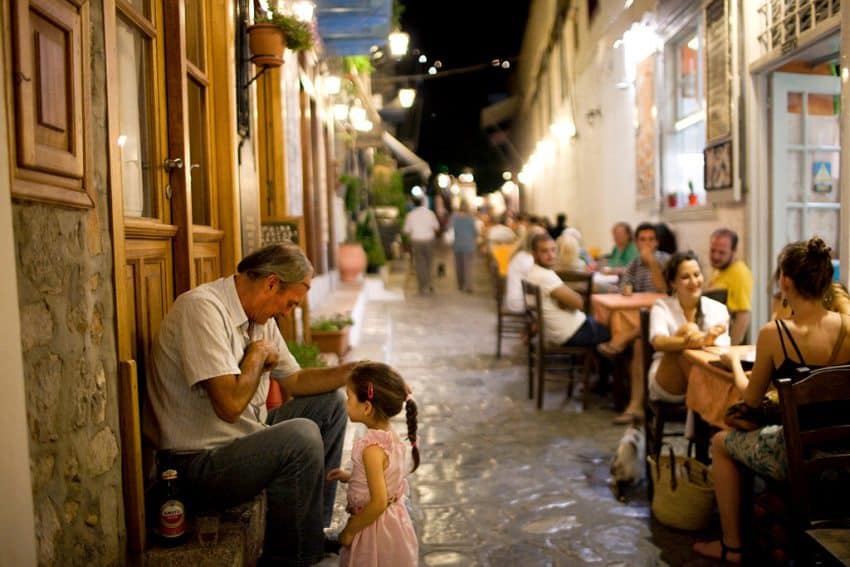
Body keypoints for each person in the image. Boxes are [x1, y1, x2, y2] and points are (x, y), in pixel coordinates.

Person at [146, 243, 356, 566]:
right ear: (272, 283)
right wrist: (256, 356)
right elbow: (229, 405)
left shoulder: (259, 317)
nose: (288, 312)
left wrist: (352, 371)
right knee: (300, 438)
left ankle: (310, 532)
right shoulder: (202, 310)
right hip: (195, 465)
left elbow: (297, 381)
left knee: (330, 406)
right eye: (289, 303)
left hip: (239, 440)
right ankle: (294, 558)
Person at [694, 237, 850, 564]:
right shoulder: (847, 326)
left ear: (785, 282)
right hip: (844, 448)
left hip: (795, 454)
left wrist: (734, 364)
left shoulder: (775, 333)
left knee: (722, 442)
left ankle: (732, 546)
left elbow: (749, 401)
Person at [326, 362, 419, 566]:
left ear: (366, 407)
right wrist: (350, 477)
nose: (345, 403)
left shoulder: (372, 449)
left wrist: (349, 531)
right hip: (394, 524)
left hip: (372, 530)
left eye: (348, 397)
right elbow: (385, 478)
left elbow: (377, 503)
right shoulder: (390, 437)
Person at [647, 251, 730, 403]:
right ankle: (710, 410)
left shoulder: (718, 309)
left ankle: (704, 409)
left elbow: (722, 349)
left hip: (706, 375)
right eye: (685, 277)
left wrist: (704, 341)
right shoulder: (662, 306)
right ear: (672, 282)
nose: (693, 281)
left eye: (697, 275)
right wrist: (700, 340)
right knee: (689, 328)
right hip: (667, 380)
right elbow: (658, 342)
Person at [525, 233, 611, 347]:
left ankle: (593, 362)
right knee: (612, 331)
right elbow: (579, 303)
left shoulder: (532, 272)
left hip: (556, 331)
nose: (551, 255)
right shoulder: (546, 276)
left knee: (601, 324)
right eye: (544, 251)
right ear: (534, 254)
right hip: (570, 332)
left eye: (553, 250)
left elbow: (565, 302)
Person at [707, 228, 753, 345]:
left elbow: (743, 315)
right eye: (713, 251)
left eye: (722, 252)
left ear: (734, 251)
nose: (716, 256)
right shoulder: (720, 269)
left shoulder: (740, 273)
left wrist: (731, 349)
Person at [619, 222, 670, 296]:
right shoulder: (634, 264)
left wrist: (652, 262)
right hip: (640, 304)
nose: (647, 243)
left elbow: (663, 290)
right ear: (636, 243)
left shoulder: (666, 260)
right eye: (642, 240)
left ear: (656, 242)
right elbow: (624, 287)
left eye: (651, 239)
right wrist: (626, 289)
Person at [403, 195, 440, 295]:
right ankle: (430, 283)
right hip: (429, 240)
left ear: (413, 204)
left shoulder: (411, 215)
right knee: (429, 262)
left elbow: (406, 230)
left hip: (416, 240)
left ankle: (422, 287)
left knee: (419, 264)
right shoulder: (430, 213)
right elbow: (436, 227)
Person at [504, 225, 546, 313]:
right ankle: (539, 324)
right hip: (518, 301)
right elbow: (539, 280)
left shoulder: (523, 254)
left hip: (518, 297)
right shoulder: (526, 258)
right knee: (549, 303)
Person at [450, 200, 478, 293]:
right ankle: (469, 286)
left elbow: (449, 228)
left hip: (457, 244)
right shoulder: (471, 218)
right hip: (469, 245)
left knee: (459, 266)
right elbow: (475, 232)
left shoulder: (454, 217)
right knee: (468, 266)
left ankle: (460, 285)